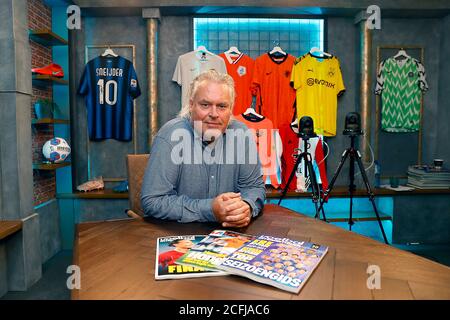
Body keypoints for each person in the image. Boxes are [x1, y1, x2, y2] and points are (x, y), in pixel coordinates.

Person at [141, 69, 265, 228]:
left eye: (222, 106)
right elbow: (152, 200)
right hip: (176, 237)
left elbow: (254, 188)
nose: (214, 114)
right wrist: (209, 209)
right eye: (205, 105)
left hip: (230, 238)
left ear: (231, 108)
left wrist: (246, 206)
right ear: (191, 105)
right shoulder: (171, 135)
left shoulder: (241, 134)